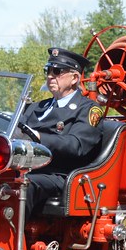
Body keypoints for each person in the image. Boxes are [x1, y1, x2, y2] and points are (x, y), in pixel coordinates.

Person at [19, 47, 105, 216]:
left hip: (59, 173)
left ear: (74, 78)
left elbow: (77, 145)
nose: (50, 76)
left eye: (57, 71)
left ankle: (14, 239)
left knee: (21, 184)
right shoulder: (37, 106)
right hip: (27, 167)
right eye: (48, 70)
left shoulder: (88, 109)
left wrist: (39, 138)